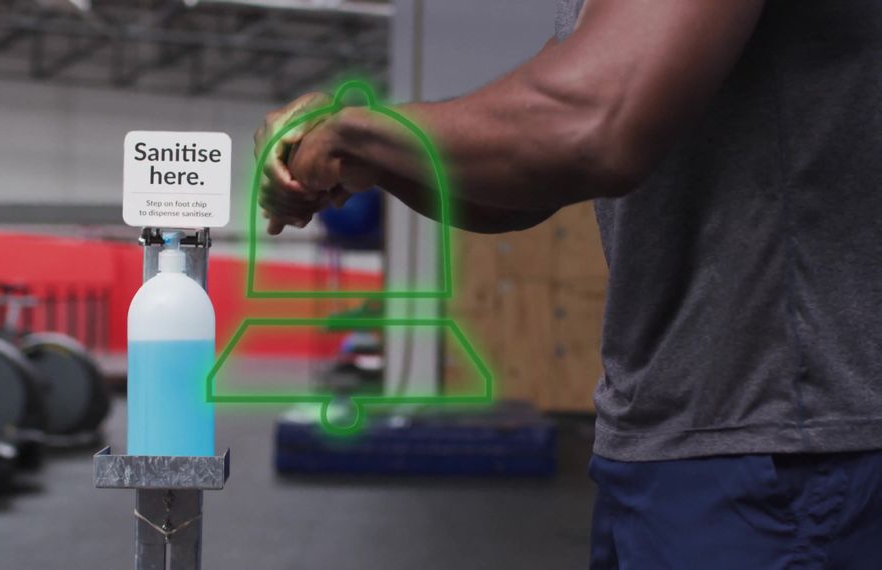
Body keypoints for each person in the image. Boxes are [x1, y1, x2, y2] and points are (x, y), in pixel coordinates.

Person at [254, 0, 882, 568]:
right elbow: (528, 176)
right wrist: (368, 155)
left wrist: (356, 132)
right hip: (672, 440)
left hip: (779, 451)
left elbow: (585, 123)